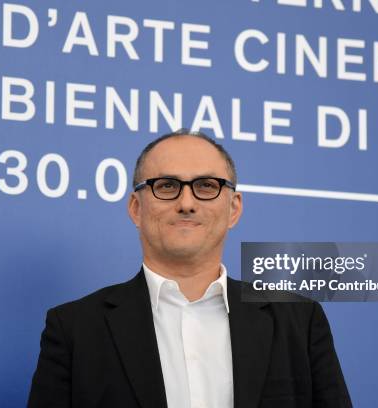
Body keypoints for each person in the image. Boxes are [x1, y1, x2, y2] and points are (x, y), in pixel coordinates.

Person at [27, 129, 352, 408]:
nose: (186, 202)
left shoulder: (300, 321)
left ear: (234, 208)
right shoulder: (74, 329)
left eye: (207, 186)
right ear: (136, 208)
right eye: (166, 186)